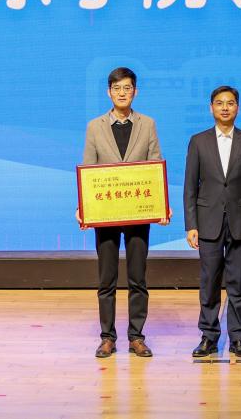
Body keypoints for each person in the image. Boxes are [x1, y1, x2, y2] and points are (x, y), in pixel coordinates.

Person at [79, 67, 169, 358]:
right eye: (116, 88)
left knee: (137, 278)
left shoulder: (148, 124)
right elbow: (89, 170)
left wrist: (160, 205)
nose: (122, 93)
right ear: (109, 92)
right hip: (105, 214)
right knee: (106, 279)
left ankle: (136, 337)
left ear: (135, 92)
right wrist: (84, 208)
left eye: (127, 88)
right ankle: (107, 337)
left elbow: (154, 165)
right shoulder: (94, 127)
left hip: (138, 212)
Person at [184, 86, 241, 358]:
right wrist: (191, 224)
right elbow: (190, 187)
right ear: (211, 108)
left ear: (237, 108)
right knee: (209, 282)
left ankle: (238, 338)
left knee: (238, 283)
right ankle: (208, 337)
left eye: (230, 103)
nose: (225, 108)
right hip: (207, 221)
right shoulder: (198, 141)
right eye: (219, 103)